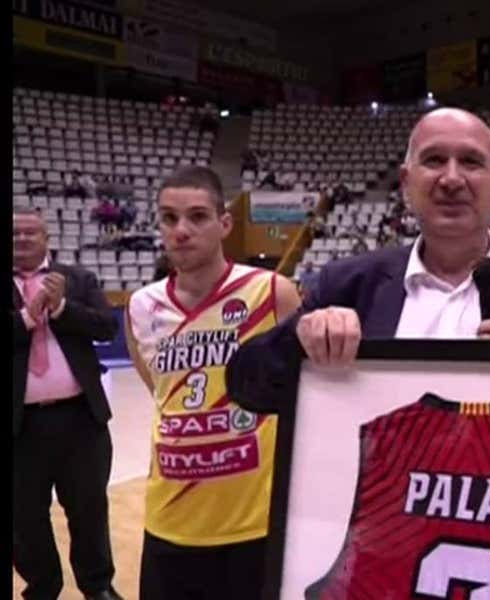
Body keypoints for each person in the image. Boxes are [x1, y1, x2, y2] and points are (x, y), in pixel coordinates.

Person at [226, 108, 490, 413]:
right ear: (406, 183)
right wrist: (299, 340)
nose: (452, 179)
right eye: (434, 160)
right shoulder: (349, 284)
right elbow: (249, 387)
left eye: (471, 162)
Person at [124, 167, 303, 600]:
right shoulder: (141, 306)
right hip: (170, 516)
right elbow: (162, 394)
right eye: (169, 218)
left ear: (225, 223)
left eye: (197, 216)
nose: (181, 230)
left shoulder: (272, 293)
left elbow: (303, 398)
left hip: (254, 522)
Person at [12, 208, 123, 600]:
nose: (22, 239)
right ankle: (42, 587)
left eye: (30, 233)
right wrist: (27, 316)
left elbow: (107, 327)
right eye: (15, 233)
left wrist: (61, 309)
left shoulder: (77, 279)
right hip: (19, 427)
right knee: (23, 516)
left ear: (47, 238)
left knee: (89, 508)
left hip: (81, 419)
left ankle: (97, 586)